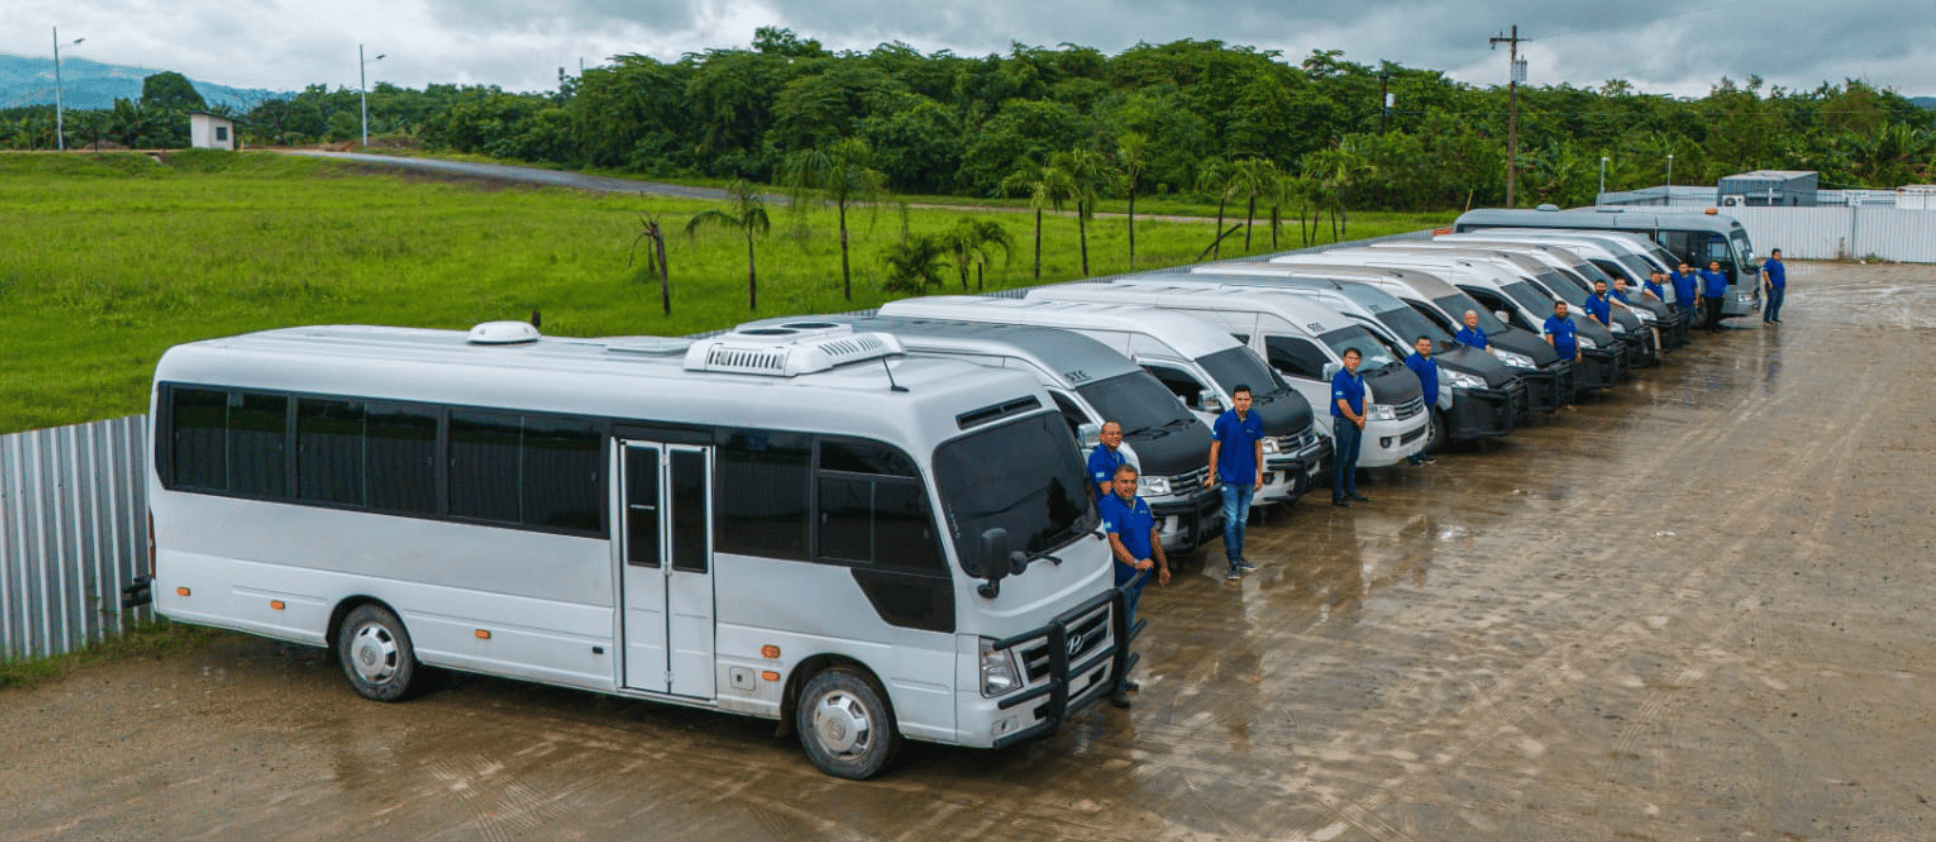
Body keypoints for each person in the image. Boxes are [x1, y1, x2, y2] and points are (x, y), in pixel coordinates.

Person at [1099, 464, 1166, 708]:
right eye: (1124, 482)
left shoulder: (1140, 504)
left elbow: (1152, 535)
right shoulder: (1109, 506)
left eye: (1132, 482)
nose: (1129, 486)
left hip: (1139, 582)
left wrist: (1162, 564)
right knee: (1120, 634)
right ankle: (1115, 687)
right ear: (1115, 483)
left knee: (1127, 632)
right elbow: (1114, 543)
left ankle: (1121, 677)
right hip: (1122, 583)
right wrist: (1136, 562)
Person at [1203, 385, 1263, 580]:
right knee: (1231, 519)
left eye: (1246, 399)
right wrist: (1212, 475)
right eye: (1239, 399)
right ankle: (1233, 562)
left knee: (1242, 520)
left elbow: (1258, 447)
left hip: (1248, 479)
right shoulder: (1223, 421)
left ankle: (1239, 557)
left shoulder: (1255, 420)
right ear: (1233, 400)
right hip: (1229, 479)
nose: (1243, 403)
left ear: (1250, 401)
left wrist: (1260, 474)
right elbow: (1214, 449)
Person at [1330, 348, 1369, 506]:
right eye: (1350, 358)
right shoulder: (1339, 378)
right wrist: (1356, 419)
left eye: (1356, 358)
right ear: (1344, 358)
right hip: (1345, 422)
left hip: (1357, 422)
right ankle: (1338, 495)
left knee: (1353, 458)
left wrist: (1363, 417)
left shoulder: (1357, 377)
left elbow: (1363, 398)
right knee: (1342, 459)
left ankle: (1351, 490)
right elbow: (1342, 404)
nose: (1353, 361)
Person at [1402, 337, 1439, 466]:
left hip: (1431, 400)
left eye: (1427, 345)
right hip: (1419, 402)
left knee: (1426, 430)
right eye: (1422, 345)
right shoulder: (1412, 361)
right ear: (1416, 345)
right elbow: (1409, 380)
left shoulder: (1432, 360)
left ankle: (1422, 455)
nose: (1425, 347)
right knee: (1416, 431)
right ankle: (1413, 458)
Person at [1086, 420, 1128, 498]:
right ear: (1102, 437)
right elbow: (1107, 491)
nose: (1116, 436)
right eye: (1111, 434)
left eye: (1118, 433)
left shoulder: (1119, 456)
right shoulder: (1097, 457)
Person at [1700, 260, 1729, 332]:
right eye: (1712, 265)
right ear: (1709, 266)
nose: (1714, 266)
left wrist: (1725, 293)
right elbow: (1696, 271)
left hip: (1720, 296)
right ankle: (1708, 327)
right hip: (1709, 296)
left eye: (1716, 265)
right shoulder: (1706, 273)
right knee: (1711, 312)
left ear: (1718, 266)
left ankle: (1714, 327)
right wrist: (1690, 269)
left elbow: (1725, 284)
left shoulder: (1722, 274)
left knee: (1717, 312)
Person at [1670, 262, 1701, 327]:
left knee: (1689, 320)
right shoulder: (1674, 276)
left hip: (1690, 302)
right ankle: (1682, 335)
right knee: (1681, 320)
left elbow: (1695, 289)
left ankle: (1686, 334)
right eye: (1681, 267)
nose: (1683, 269)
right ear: (1678, 268)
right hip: (1680, 302)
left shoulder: (1692, 277)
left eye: (1685, 267)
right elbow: (1665, 276)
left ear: (1687, 268)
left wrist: (1697, 299)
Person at [1763, 248, 1787, 324]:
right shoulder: (1769, 262)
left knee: (1779, 302)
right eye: (1777, 255)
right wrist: (1769, 283)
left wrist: (1784, 283)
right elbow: (1765, 273)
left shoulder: (1780, 263)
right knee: (1771, 302)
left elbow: (1783, 273)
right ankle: (1767, 319)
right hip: (1772, 287)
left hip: (1780, 286)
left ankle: (1775, 318)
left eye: (1780, 255)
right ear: (1773, 255)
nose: (1779, 256)